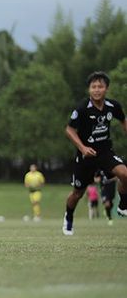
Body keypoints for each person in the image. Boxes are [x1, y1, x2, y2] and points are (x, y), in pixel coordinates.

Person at [62, 71, 127, 236]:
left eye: (100, 86)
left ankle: (123, 205)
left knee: (124, 174)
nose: (97, 90)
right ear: (89, 89)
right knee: (77, 193)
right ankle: (68, 217)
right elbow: (69, 130)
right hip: (86, 156)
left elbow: (123, 120)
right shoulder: (82, 108)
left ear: (106, 89)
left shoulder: (113, 106)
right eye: (93, 87)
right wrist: (83, 148)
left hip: (105, 152)